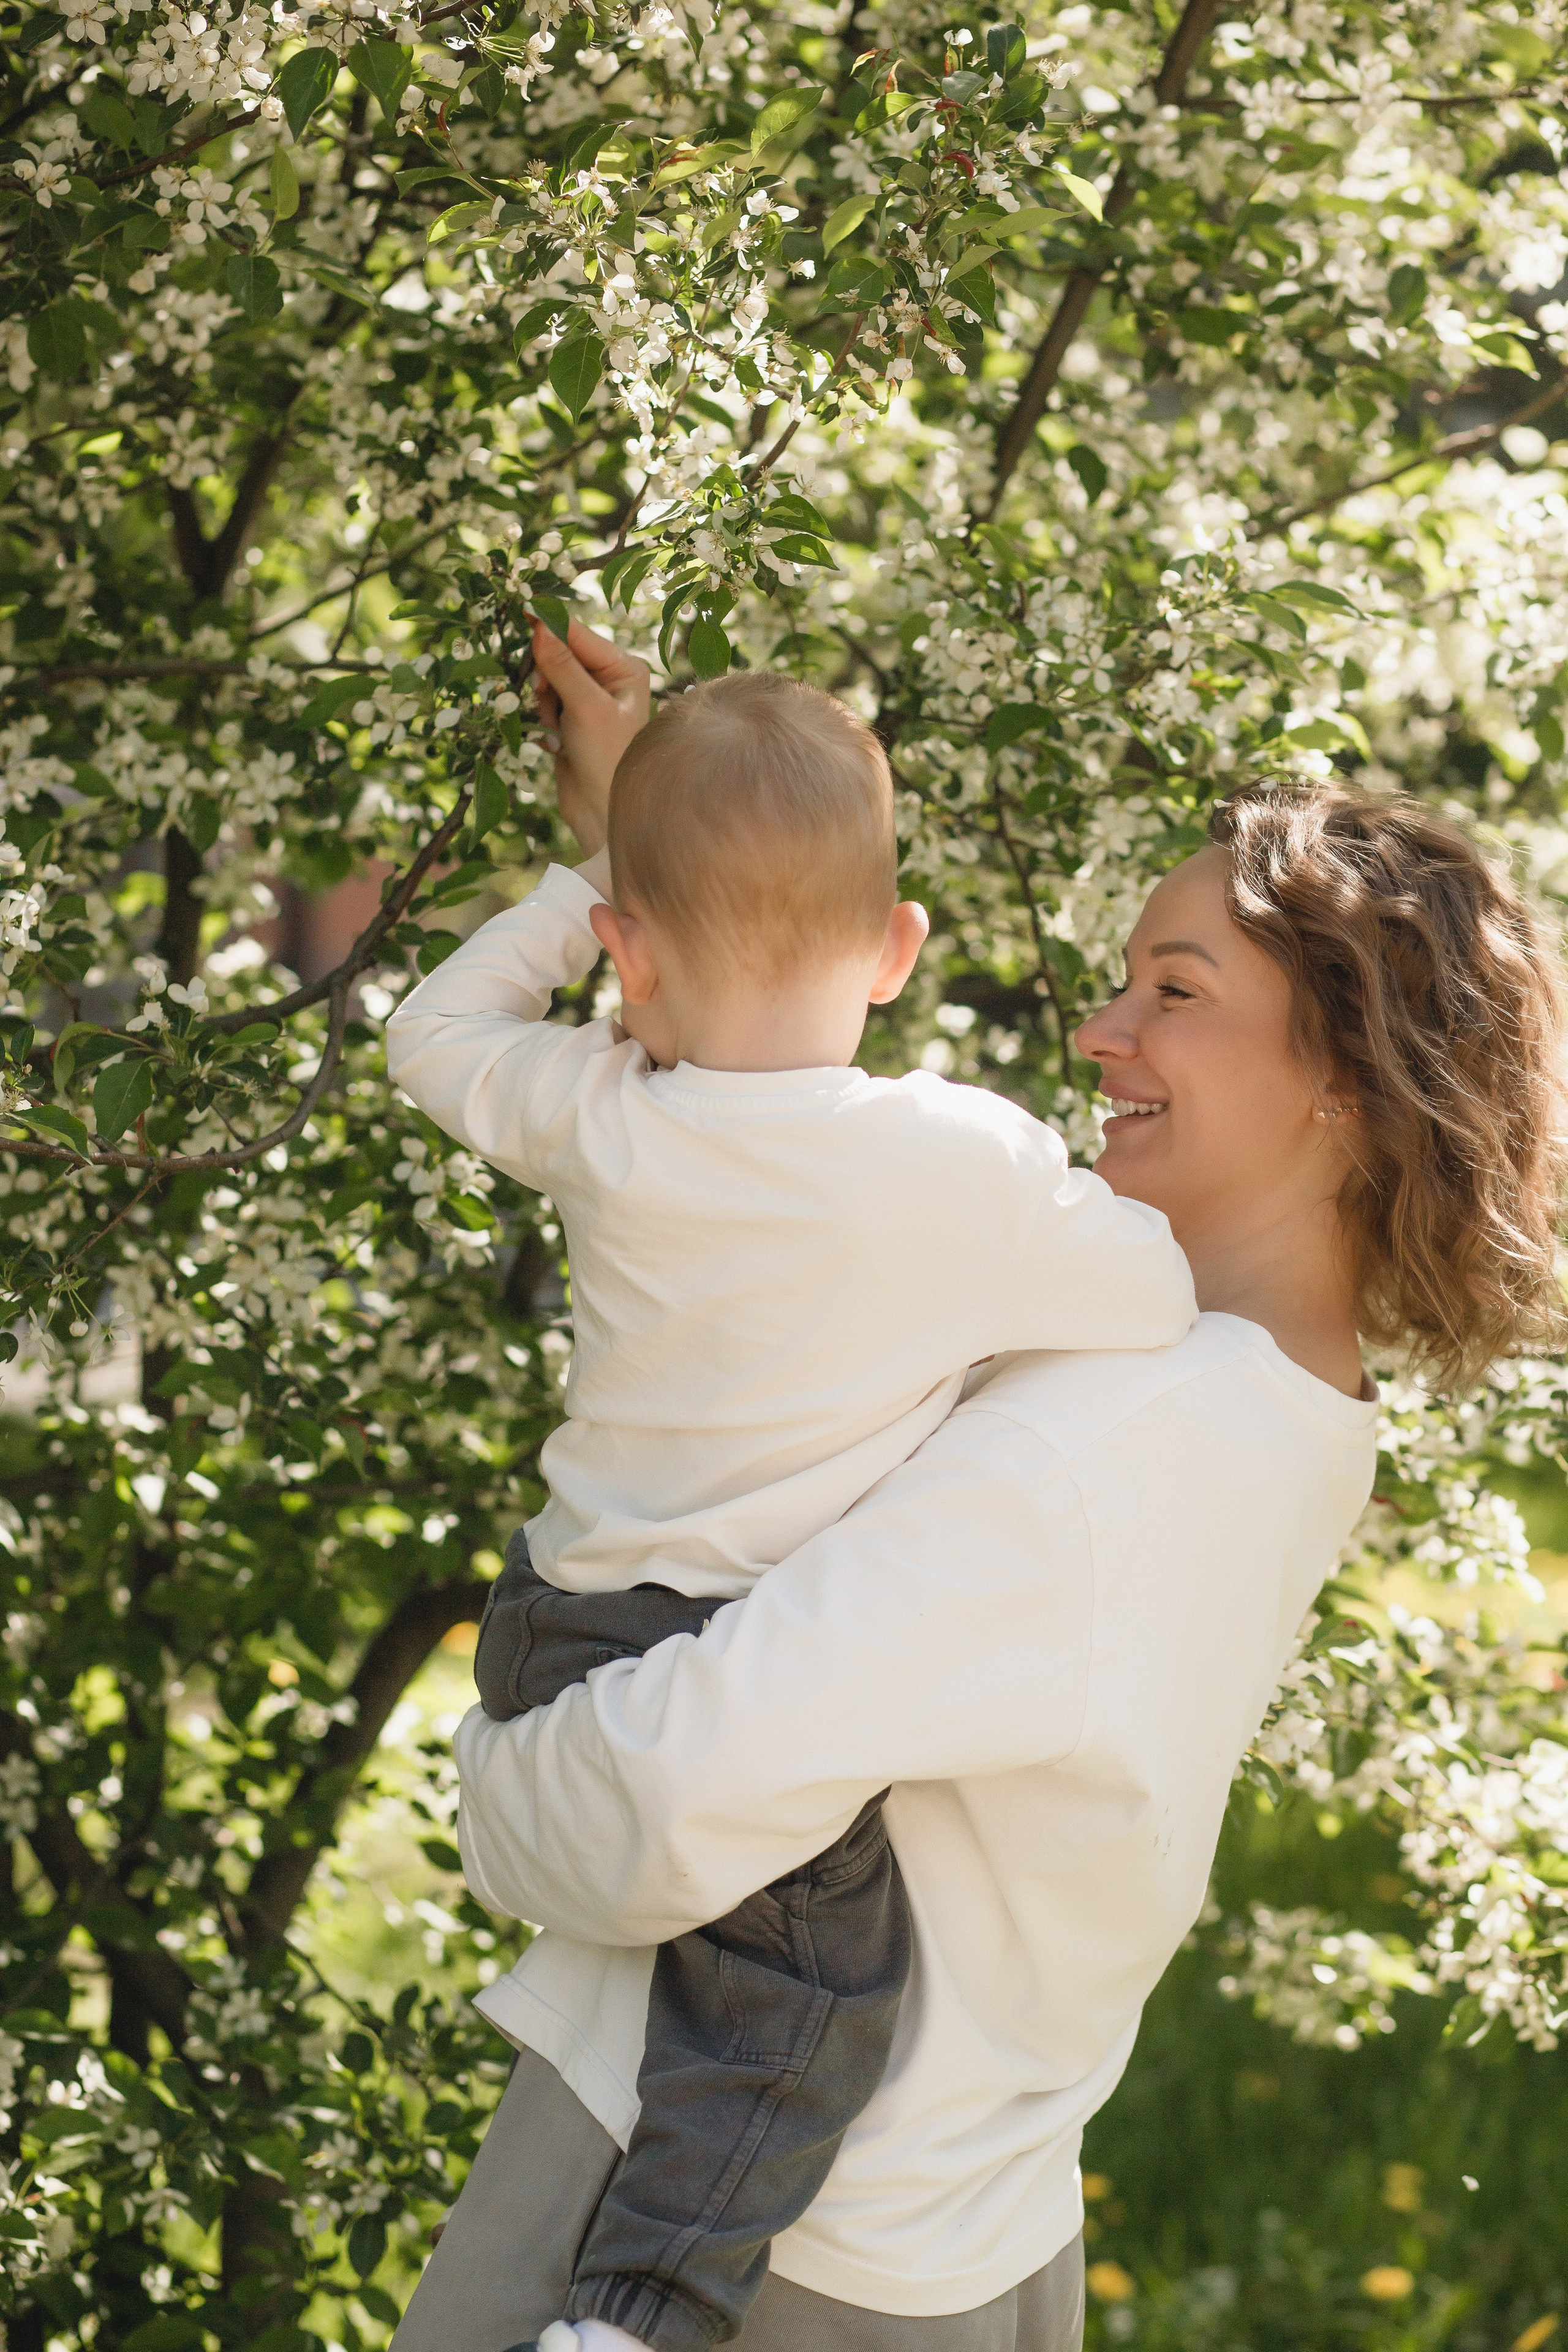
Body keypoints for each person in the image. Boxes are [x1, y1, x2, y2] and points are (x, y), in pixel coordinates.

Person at [391, 624, 1567, 2352]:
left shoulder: (1114, 1446)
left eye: (1175, 990)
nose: (1100, 1034)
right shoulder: (1249, 1394)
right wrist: (670, 844)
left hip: (741, 2239)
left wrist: (491, 1779)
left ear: (1342, 1082)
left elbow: (658, 1805)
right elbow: (792, 1174)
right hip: (946, 2210)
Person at [385, 632, 1197, 2352]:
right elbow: (1153, 1299)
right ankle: (632, 2316)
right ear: (899, 951)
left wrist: (602, 863)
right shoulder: (961, 1161)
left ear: (626, 956)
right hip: (709, 1645)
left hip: (553, 1626)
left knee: (678, 1977)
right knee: (805, 1999)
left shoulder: (609, 1111)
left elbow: (431, 1030)